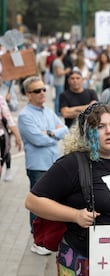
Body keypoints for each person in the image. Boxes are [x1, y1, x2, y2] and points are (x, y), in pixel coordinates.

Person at [25, 103, 110, 275]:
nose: (109, 131)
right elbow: (32, 201)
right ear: (87, 132)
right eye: (100, 126)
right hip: (84, 259)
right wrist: (75, 215)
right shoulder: (72, 164)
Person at [18, 76, 68, 255]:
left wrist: (49, 133)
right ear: (28, 94)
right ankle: (37, 240)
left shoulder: (47, 111)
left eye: (43, 89)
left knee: (52, 202)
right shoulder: (24, 116)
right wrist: (53, 135)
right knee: (38, 203)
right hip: (38, 165)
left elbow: (65, 130)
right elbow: (38, 140)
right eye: (37, 91)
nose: (42, 93)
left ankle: (48, 236)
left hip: (53, 163)